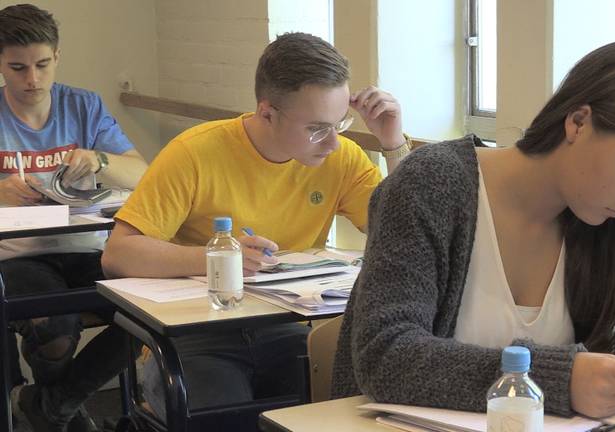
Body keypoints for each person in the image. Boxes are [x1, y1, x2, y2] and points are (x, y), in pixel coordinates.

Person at [331, 39, 615, 419]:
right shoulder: (434, 185)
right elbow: (385, 356)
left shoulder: (608, 225)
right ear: (578, 122)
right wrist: (559, 380)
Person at [100, 32, 410, 419]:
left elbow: (405, 232)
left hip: (289, 327)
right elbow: (118, 254)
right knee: (229, 414)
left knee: (344, 408)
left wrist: (393, 142)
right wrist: (218, 256)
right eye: (316, 128)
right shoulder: (194, 152)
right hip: (196, 337)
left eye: (339, 124)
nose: (332, 143)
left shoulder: (341, 157)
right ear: (267, 113)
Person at [0, 4, 148, 431]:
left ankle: (50, 407)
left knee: (150, 312)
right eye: (18, 67)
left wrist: (100, 159)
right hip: (18, 253)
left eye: (43, 65)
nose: (32, 79)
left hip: (87, 243)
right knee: (56, 327)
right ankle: (63, 409)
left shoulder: (83, 105)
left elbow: (142, 173)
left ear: (57, 57)